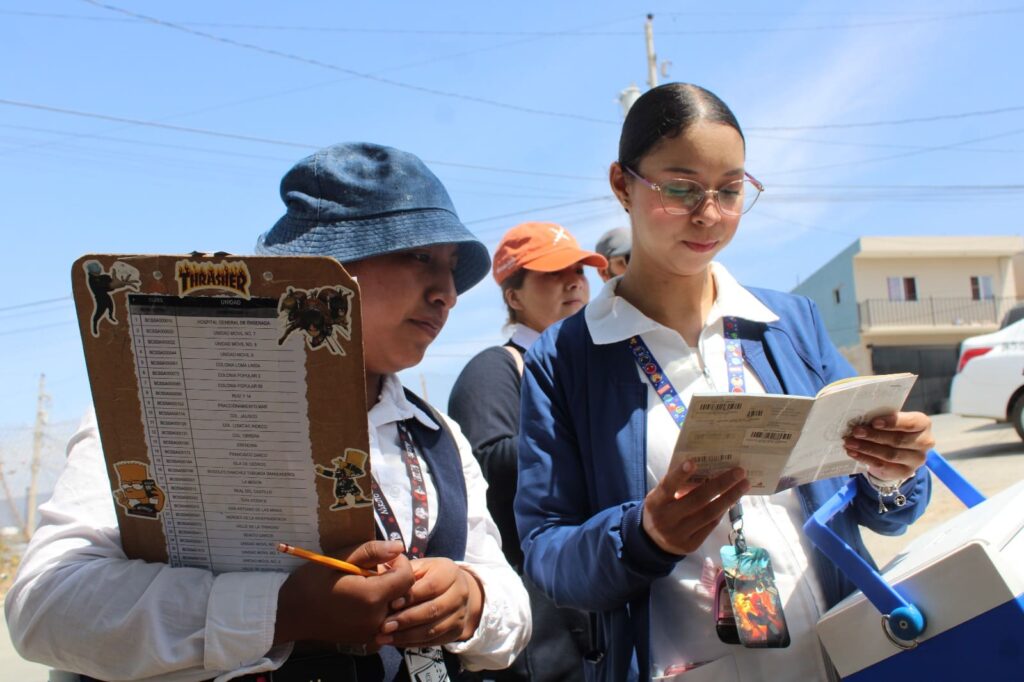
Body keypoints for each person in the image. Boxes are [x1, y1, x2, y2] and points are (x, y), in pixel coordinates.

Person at [6, 142, 530, 681]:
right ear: (329, 271)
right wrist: (281, 610)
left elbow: (510, 603)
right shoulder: (160, 407)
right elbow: (46, 607)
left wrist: (473, 600)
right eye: (419, 257)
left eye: (451, 268)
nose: (447, 293)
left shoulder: (439, 437)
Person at [513, 83, 935, 682]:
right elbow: (548, 555)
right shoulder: (568, 359)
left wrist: (891, 467)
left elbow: (889, 514)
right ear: (620, 184)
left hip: (844, 654)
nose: (708, 213)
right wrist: (644, 534)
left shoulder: (788, 324)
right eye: (681, 188)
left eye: (731, 190)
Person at [448, 222, 606, 681]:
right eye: (553, 272)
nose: (574, 280)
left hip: (599, 600)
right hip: (544, 623)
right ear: (513, 296)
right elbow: (491, 467)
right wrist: (590, 428)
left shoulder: (594, 364)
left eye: (579, 268)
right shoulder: (495, 368)